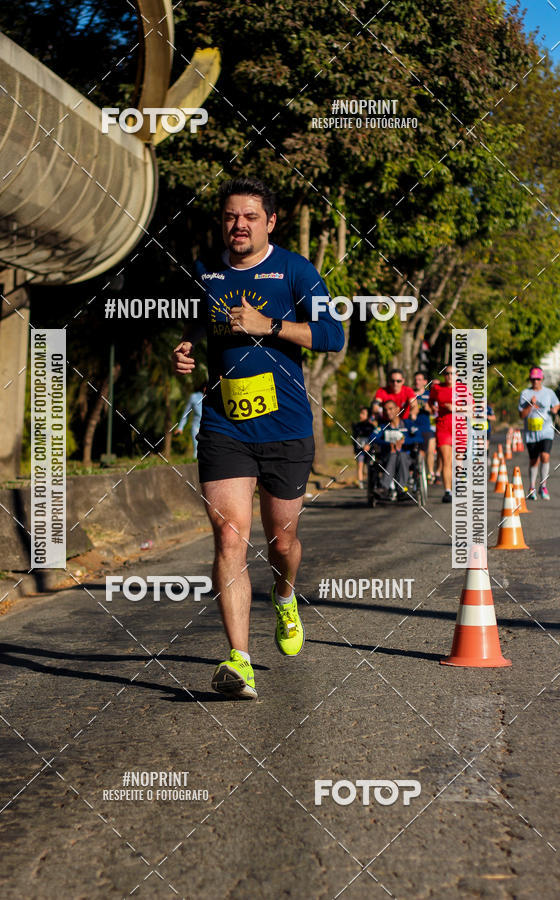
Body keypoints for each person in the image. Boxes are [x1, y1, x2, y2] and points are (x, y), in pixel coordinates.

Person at [172, 176, 344, 699]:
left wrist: (268, 324)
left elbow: (333, 336)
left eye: (249, 216)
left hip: (286, 428)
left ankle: (285, 594)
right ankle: (239, 660)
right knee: (229, 537)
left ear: (269, 222)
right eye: (230, 216)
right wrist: (185, 351)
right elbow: (197, 329)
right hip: (225, 425)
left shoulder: (295, 270)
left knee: (281, 542)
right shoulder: (205, 271)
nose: (238, 225)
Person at [518, 367, 560, 500]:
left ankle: (543, 486)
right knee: (534, 460)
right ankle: (531, 487)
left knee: (545, 456)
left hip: (546, 431)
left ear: (542, 379)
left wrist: (555, 409)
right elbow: (521, 415)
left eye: (538, 378)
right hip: (531, 433)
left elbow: (557, 404)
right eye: (533, 378)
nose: (535, 381)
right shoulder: (525, 393)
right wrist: (530, 405)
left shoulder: (549, 393)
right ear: (530, 379)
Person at [370, 399, 423, 500]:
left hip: (406, 456)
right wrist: (388, 443)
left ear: (398, 409)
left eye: (390, 409)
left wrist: (405, 441)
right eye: (385, 410)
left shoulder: (407, 424)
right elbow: (373, 438)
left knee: (401, 455)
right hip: (388, 457)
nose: (388, 412)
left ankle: (401, 488)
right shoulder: (383, 426)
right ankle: (385, 488)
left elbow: (419, 438)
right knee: (394, 455)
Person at [429, 366, 456, 503]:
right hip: (443, 426)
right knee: (446, 459)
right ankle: (448, 491)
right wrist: (432, 407)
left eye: (452, 373)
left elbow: (472, 409)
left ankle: (456, 484)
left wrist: (455, 408)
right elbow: (430, 402)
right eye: (447, 373)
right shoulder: (437, 388)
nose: (449, 376)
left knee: (454, 461)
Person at [413, 371, 436, 482]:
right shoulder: (410, 393)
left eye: (419, 379)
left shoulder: (429, 395)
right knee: (415, 453)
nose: (417, 382)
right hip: (412, 427)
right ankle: (414, 473)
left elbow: (434, 411)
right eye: (416, 379)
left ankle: (430, 472)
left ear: (425, 382)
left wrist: (428, 408)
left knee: (430, 450)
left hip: (426, 427)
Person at [175, 383, 207, 459]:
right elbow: (186, 413)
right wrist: (180, 427)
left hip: (209, 427)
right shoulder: (194, 397)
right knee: (197, 449)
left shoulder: (214, 396)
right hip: (196, 427)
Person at [351, 407, 373, 488]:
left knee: (369, 465)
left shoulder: (371, 427)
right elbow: (354, 438)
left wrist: (370, 446)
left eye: (363, 413)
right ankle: (360, 481)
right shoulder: (357, 426)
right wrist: (355, 449)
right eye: (361, 413)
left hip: (369, 450)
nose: (361, 415)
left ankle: (370, 482)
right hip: (359, 449)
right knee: (360, 465)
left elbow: (373, 438)